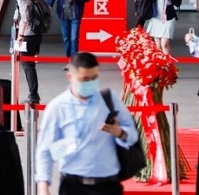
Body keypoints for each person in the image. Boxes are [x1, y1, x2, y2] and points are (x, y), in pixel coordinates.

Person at [35, 52, 138, 195]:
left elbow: (133, 135)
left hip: (108, 185)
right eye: (85, 79)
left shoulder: (109, 99)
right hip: (73, 185)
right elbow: (45, 149)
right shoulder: (57, 107)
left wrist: (120, 133)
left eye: (94, 78)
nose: (90, 83)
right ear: (70, 77)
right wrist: (43, 185)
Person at [10, 0, 42, 104]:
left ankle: (33, 95)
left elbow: (25, 19)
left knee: (28, 65)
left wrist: (21, 36)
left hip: (28, 34)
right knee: (30, 64)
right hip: (37, 33)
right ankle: (33, 93)